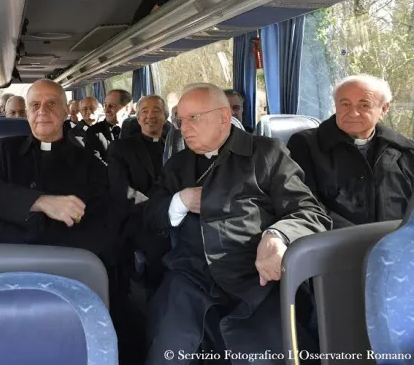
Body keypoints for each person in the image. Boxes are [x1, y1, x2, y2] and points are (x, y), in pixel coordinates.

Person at [144, 83, 330, 364]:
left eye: (194, 118)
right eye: (180, 120)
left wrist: (277, 235)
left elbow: (309, 211)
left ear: (222, 117)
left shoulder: (267, 154)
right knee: (167, 349)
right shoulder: (177, 165)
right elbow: (149, 218)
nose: (184, 128)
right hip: (190, 276)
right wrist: (179, 202)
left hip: (256, 275)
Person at [0, 79, 115, 266]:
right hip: (3, 256)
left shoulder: (90, 163)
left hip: (64, 260)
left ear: (66, 111)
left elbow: (102, 222)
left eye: (51, 103)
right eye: (35, 105)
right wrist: (39, 202)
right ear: (28, 112)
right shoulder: (4, 150)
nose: (42, 111)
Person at [288, 74, 414, 228]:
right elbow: (304, 203)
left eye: (364, 105)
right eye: (345, 104)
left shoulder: (405, 150)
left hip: (399, 243)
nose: (353, 113)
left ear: (384, 109)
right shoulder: (305, 145)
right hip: (332, 243)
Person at [107, 95, 172, 365]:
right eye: (144, 111)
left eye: (157, 111)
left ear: (166, 115)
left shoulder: (180, 143)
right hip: (140, 219)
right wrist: (163, 211)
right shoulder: (121, 149)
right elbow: (122, 192)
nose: (150, 116)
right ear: (137, 115)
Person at [85, 89, 132, 160]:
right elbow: (95, 163)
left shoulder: (138, 128)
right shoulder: (94, 132)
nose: (106, 110)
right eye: (105, 105)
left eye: (111, 106)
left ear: (127, 108)